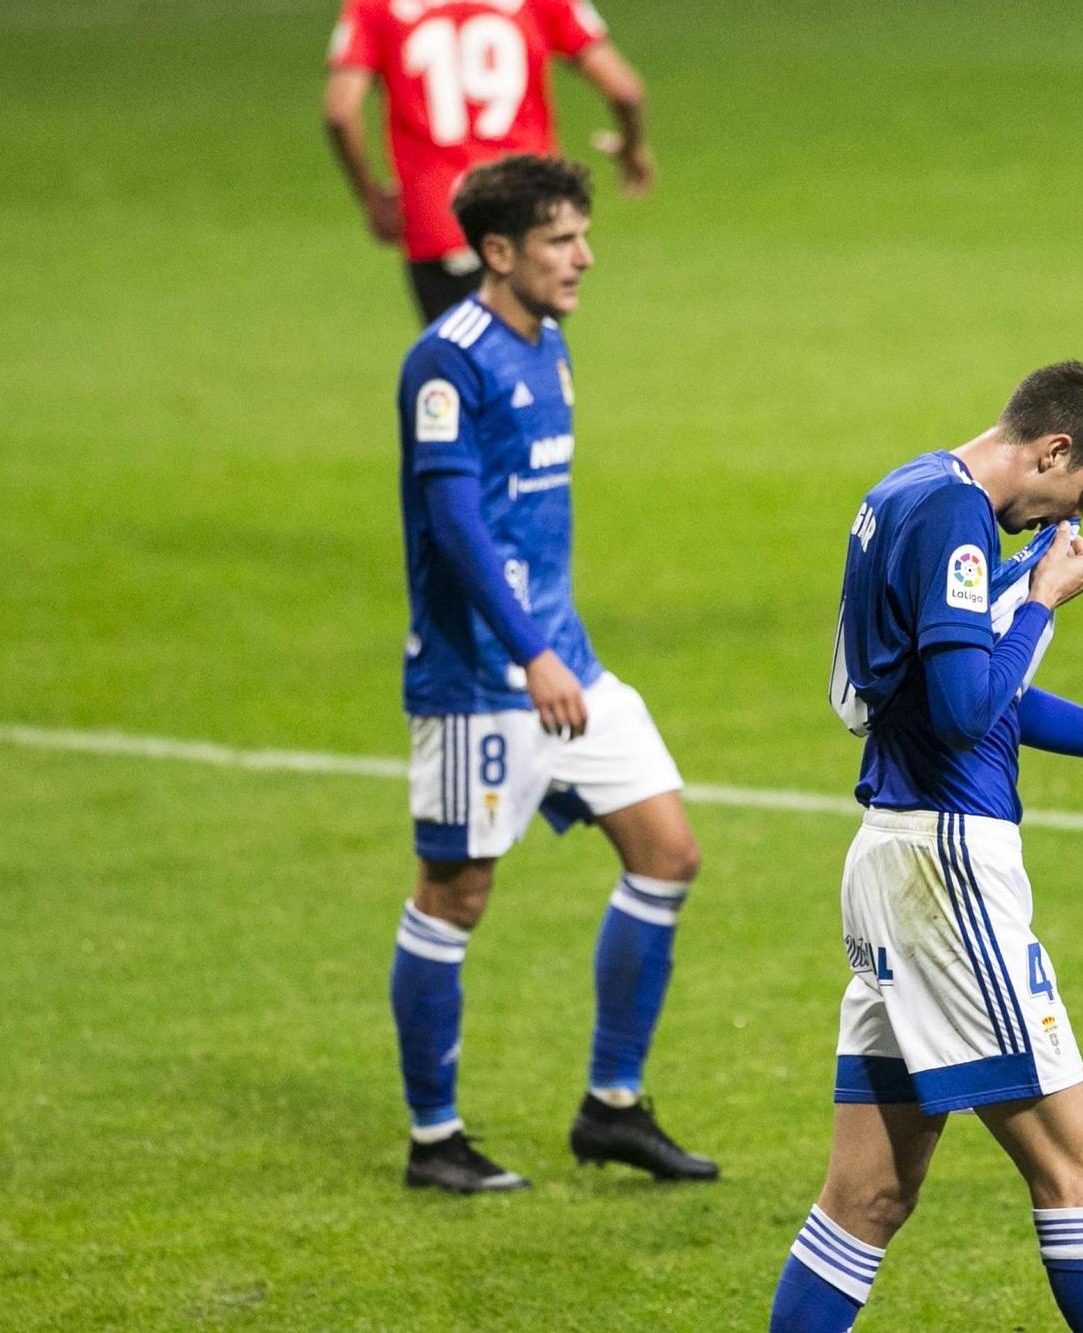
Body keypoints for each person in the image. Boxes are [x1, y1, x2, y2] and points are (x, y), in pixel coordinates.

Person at [772, 363, 1083, 1331]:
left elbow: (969, 694)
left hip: (893, 861)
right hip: (947, 870)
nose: (1067, 517)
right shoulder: (954, 518)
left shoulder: (903, 490)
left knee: (866, 1201)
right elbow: (969, 715)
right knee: (1080, 1170)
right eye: (1080, 492)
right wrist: (1041, 600)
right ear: (1052, 450)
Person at [390, 154, 715, 1193]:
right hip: (480, 678)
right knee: (456, 894)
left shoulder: (552, 345)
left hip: (565, 663)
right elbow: (454, 523)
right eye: (559, 241)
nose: (583, 255)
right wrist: (526, 651)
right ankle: (433, 1138)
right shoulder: (448, 363)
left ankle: (609, 1106)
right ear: (497, 252)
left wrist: (551, 646)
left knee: (666, 852)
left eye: (581, 234)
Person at [323, 0, 653, 323]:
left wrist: (371, 197)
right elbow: (626, 92)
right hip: (534, 215)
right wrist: (632, 148)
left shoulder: (373, 6)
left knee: (462, 367)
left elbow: (340, 112)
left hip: (441, 219)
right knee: (532, 365)